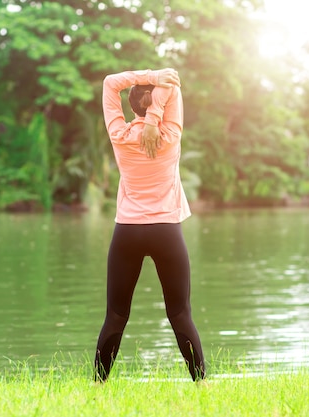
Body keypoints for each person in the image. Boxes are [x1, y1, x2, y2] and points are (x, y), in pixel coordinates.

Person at [94, 68, 206, 382]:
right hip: (166, 232)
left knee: (116, 315)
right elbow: (173, 81)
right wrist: (157, 110)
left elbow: (109, 83)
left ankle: (99, 385)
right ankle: (201, 383)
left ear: (131, 106)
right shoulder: (170, 134)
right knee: (180, 313)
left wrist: (149, 76)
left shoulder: (120, 134)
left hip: (127, 231)